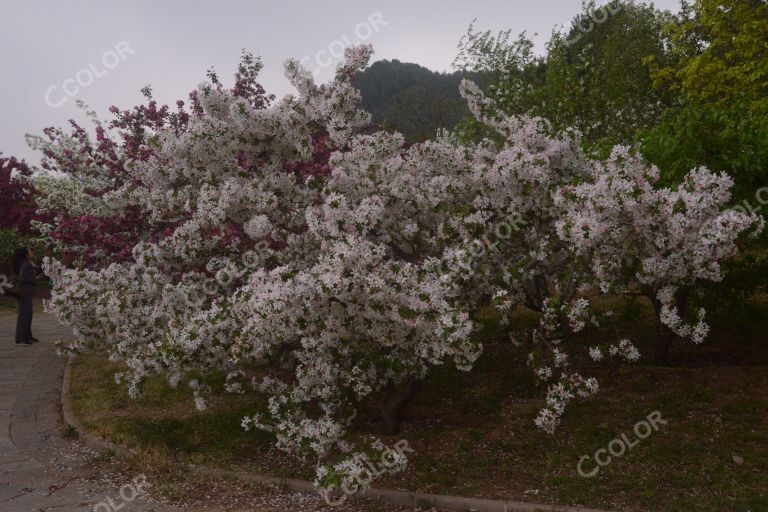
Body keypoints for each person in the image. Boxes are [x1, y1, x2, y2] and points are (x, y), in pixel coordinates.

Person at [12, 247, 39, 345]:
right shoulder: (25, 264)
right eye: (30, 251)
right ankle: (20, 338)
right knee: (24, 314)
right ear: (26, 254)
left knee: (28, 313)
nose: (32, 252)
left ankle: (27, 337)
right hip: (25, 292)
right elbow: (23, 278)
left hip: (26, 291)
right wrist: (34, 279)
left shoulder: (26, 263)